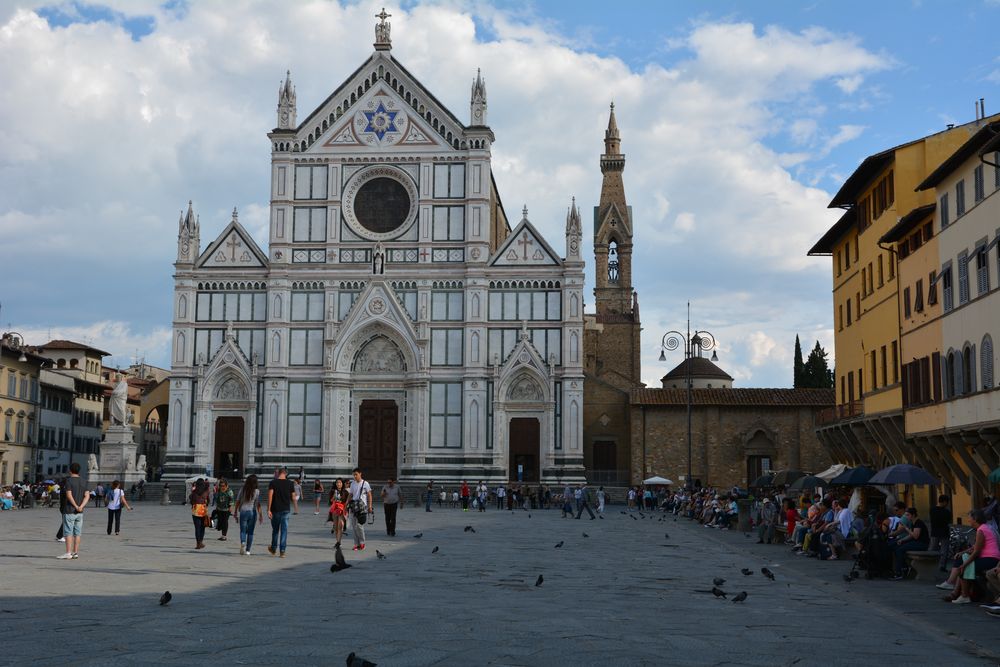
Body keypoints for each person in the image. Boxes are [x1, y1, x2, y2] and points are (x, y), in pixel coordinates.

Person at [949, 509, 1000, 604]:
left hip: (991, 559)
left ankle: (964, 595)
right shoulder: (985, 527)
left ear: (975, 519)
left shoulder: (981, 530)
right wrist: (963, 553)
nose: (968, 520)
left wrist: (965, 564)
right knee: (963, 561)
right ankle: (960, 593)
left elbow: (976, 551)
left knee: (966, 566)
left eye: (970, 518)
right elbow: (976, 547)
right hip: (990, 558)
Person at [57, 462, 90, 560]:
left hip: (69, 510)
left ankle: (68, 553)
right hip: (80, 512)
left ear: (70, 470)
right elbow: (87, 496)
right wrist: (81, 506)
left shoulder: (69, 481)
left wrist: (75, 505)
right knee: (77, 533)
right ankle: (75, 552)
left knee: (68, 532)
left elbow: (69, 495)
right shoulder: (84, 481)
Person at [890, 507, 930, 580]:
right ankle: (903, 568)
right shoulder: (913, 522)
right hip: (916, 542)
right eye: (905, 515)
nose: (906, 517)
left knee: (900, 549)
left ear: (913, 515)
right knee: (897, 547)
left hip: (922, 544)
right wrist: (902, 540)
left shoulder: (918, 523)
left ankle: (899, 572)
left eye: (908, 515)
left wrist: (906, 528)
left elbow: (915, 536)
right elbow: (910, 535)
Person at [267, 467, 297, 557]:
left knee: (275, 530)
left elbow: (270, 496)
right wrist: (295, 507)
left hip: (275, 510)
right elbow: (293, 497)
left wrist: (268, 509)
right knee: (284, 531)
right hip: (286, 510)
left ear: (278, 473)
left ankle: (273, 549)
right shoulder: (290, 483)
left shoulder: (273, 483)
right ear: (286, 474)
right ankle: (282, 551)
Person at [234, 474, 262, 556]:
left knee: (243, 530)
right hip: (252, 512)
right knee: (250, 532)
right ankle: (248, 550)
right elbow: (258, 504)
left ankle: (243, 542)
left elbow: (238, 501)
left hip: (243, 511)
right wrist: (260, 515)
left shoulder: (242, 489)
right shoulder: (257, 491)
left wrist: (235, 511)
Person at [348, 468, 373, 551]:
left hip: (362, 507)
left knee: (359, 526)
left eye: (356, 474)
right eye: (353, 475)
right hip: (353, 506)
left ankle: (362, 543)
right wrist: (346, 504)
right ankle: (356, 544)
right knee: (354, 527)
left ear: (360, 474)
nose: (355, 476)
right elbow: (350, 494)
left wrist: (369, 506)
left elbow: (369, 495)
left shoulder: (365, 483)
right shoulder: (352, 484)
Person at [929, 494, 952, 571]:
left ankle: (929, 564)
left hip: (934, 532)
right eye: (947, 502)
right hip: (944, 532)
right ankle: (942, 566)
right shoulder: (947, 512)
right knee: (944, 550)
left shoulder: (932, 510)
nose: (947, 504)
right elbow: (948, 521)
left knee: (933, 549)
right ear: (945, 502)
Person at [189, 478, 210, 550]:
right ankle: (201, 541)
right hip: (203, 510)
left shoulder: (194, 492)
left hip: (195, 510)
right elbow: (208, 500)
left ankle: (198, 543)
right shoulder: (206, 491)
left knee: (197, 528)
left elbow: (191, 500)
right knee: (202, 527)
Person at [329, 478, 349, 547]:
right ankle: (337, 541)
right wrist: (334, 497)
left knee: (340, 526)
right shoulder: (333, 491)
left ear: (342, 484)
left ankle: (339, 542)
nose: (338, 484)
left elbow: (348, 501)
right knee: (336, 527)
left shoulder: (345, 492)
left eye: (340, 482)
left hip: (342, 510)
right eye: (337, 482)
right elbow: (330, 501)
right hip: (335, 510)